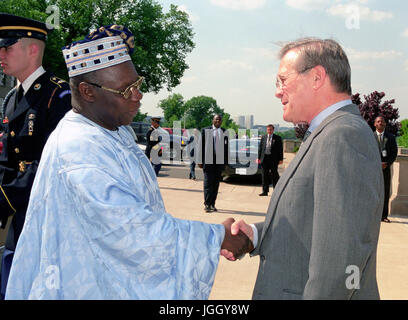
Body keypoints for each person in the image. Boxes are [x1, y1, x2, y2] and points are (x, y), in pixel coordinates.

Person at [4, 25, 252, 300]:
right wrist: (216, 237)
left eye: (138, 84)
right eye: (125, 90)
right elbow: (133, 233)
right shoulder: (79, 148)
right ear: (87, 91)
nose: (138, 95)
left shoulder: (114, 130)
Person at [223, 37, 384, 299]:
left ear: (317, 77)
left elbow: (340, 261)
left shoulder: (343, 136)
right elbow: (312, 222)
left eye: (283, 80)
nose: (277, 91)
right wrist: (254, 234)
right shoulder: (326, 133)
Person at [0, 13, 71, 299]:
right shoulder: (10, 99)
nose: (0, 54)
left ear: (32, 49)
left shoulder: (59, 96)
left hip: (49, 227)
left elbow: (55, 167)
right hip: (19, 222)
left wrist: (4, 197)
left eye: (7, 47)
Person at [198, 114, 229, 213]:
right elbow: (200, 146)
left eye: (219, 120)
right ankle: (207, 204)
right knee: (208, 184)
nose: (218, 121)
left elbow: (226, 149)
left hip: (219, 163)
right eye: (216, 119)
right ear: (213, 120)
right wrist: (199, 160)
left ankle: (212, 204)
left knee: (216, 184)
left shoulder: (224, 132)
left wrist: (225, 162)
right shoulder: (205, 131)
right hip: (208, 161)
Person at [373, 115, 398, 223]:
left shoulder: (391, 138)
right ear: (375, 124)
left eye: (382, 121)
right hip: (372, 170)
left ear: (385, 124)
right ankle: (372, 215)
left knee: (385, 192)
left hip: (385, 169)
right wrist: (375, 164)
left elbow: (394, 153)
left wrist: (387, 163)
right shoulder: (370, 136)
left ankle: (383, 216)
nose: (380, 123)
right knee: (372, 191)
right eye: (378, 121)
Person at [257, 124, 283, 196]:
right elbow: (260, 148)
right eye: (268, 129)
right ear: (266, 130)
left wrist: (281, 159)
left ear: (273, 130)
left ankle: (276, 191)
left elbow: (280, 149)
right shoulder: (263, 137)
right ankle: (265, 191)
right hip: (264, 159)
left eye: (271, 129)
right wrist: (259, 158)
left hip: (273, 159)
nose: (269, 131)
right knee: (264, 175)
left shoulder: (277, 138)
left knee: (275, 175)